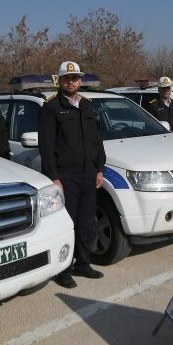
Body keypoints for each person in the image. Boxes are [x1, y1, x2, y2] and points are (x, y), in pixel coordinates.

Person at [38, 61, 106, 289]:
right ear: (60, 80)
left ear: (80, 80)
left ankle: (83, 264)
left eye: (75, 77)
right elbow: (46, 146)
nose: (71, 81)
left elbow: (97, 140)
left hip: (88, 173)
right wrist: (54, 177)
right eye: (67, 78)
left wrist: (99, 168)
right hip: (65, 176)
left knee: (87, 221)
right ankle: (64, 269)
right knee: (68, 224)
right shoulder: (51, 108)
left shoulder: (87, 106)